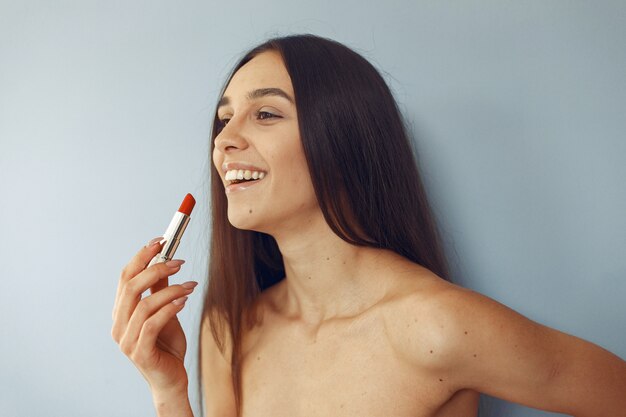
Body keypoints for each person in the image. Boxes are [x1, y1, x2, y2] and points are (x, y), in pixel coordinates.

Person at [111, 34, 626, 417]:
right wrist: (168, 393)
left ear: (343, 139)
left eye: (265, 114)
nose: (224, 141)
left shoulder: (436, 326)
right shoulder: (230, 328)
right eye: (224, 119)